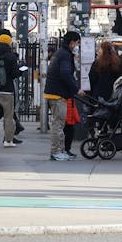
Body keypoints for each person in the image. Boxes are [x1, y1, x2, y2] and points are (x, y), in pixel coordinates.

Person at [44, 31, 81, 162]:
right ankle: (56, 151)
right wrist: (76, 89)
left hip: (56, 92)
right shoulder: (65, 55)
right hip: (58, 94)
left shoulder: (60, 53)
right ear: (72, 42)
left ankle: (60, 150)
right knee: (58, 124)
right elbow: (65, 74)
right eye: (77, 43)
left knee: (59, 123)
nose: (77, 46)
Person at [0, 33, 22, 147]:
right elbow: (13, 74)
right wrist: (21, 71)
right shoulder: (11, 56)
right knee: (8, 117)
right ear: (9, 43)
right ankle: (8, 140)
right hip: (7, 91)